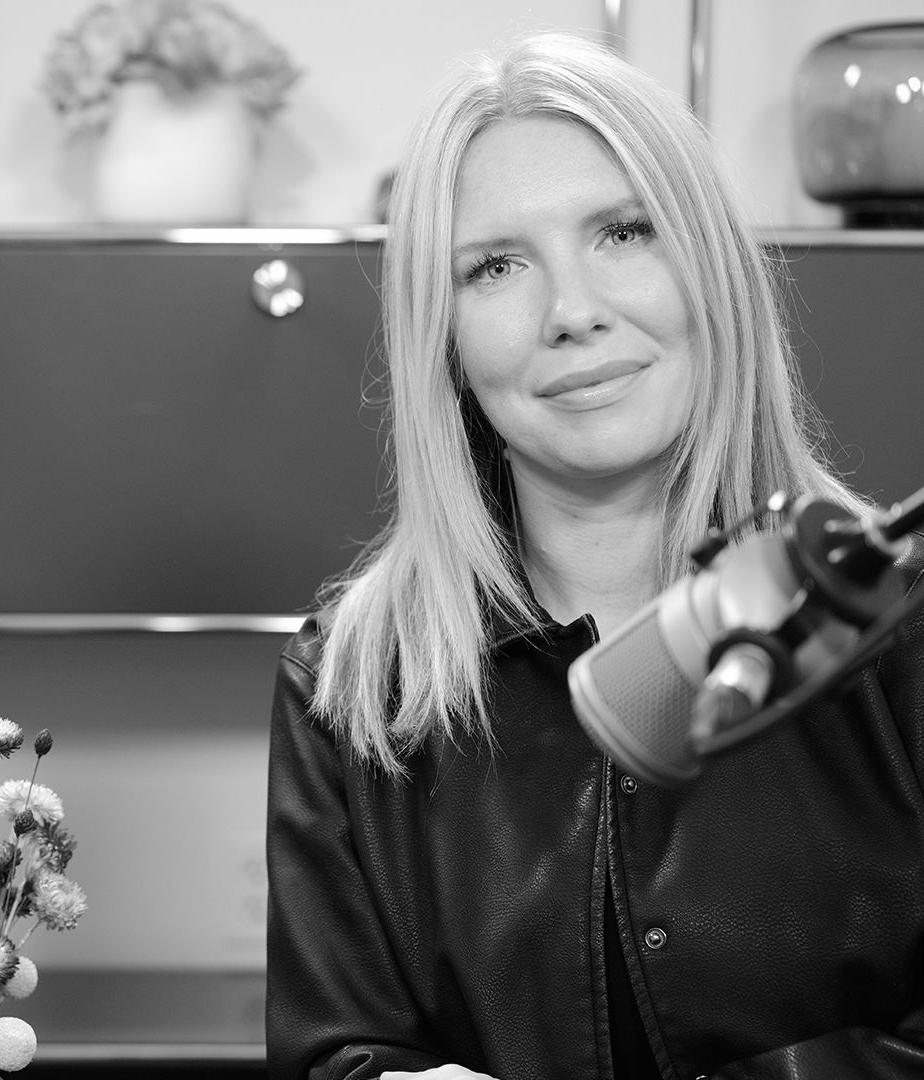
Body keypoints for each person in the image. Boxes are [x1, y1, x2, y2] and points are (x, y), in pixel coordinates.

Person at [266, 31, 922, 1080]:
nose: (572, 313)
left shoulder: (899, 625)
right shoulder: (351, 683)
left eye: (623, 233)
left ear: (710, 267)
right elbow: (335, 1053)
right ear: (444, 337)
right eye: (494, 266)